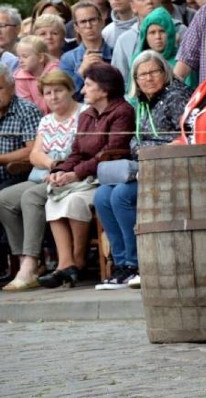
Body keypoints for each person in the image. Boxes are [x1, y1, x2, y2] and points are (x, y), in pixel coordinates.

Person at [93, 51, 191, 290]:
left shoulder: (175, 96)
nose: (148, 78)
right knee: (102, 196)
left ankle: (137, 263)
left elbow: (188, 134)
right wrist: (141, 149)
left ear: (164, 73)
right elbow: (136, 141)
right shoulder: (141, 102)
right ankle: (121, 265)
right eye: (142, 75)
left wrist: (150, 150)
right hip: (144, 165)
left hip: (170, 166)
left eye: (154, 72)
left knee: (121, 195)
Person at [38, 64, 134, 288]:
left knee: (73, 200)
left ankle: (81, 260)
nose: (82, 91)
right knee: (54, 198)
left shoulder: (122, 111)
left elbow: (109, 153)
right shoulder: (88, 115)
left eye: (88, 85)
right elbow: (77, 151)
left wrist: (75, 174)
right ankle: (66, 263)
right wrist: (60, 171)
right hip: (84, 177)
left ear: (105, 89)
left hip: (105, 176)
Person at [0, 71, 84, 291]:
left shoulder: (83, 115)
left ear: (70, 90)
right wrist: (50, 163)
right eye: (48, 93)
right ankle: (25, 261)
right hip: (43, 175)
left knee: (30, 197)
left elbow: (83, 151)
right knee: (4, 199)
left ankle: (30, 261)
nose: (53, 97)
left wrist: (59, 168)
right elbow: (35, 155)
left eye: (58, 91)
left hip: (72, 176)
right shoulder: (47, 120)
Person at [132, 7, 197, 90]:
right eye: (152, 32)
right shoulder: (137, 60)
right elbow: (132, 93)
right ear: (145, 37)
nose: (158, 37)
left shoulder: (182, 60)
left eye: (162, 31)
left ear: (170, 33)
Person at [110, 0, 162, 82]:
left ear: (159, 0)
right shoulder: (124, 40)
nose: (149, 1)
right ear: (133, 6)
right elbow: (120, 81)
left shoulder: (180, 30)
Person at [60, 1, 112, 97]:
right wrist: (81, 71)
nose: (88, 26)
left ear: (101, 22)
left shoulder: (115, 52)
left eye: (92, 20)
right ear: (76, 27)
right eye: (83, 22)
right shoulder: (68, 59)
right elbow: (66, 95)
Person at [13, 35, 59, 114]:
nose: (20, 61)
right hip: (35, 118)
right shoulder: (20, 78)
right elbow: (27, 107)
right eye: (19, 57)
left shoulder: (56, 72)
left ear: (40, 57)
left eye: (25, 56)